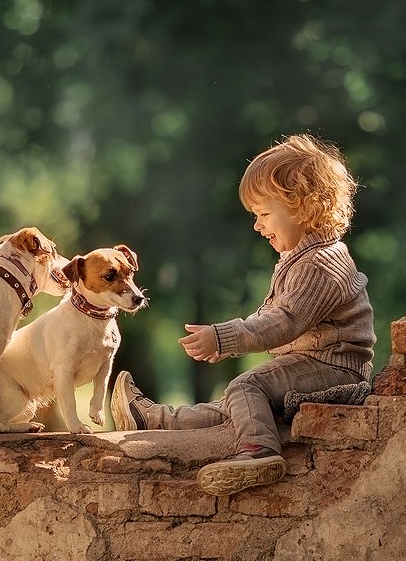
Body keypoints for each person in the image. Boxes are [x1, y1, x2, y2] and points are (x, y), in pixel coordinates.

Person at [111, 134, 376, 496]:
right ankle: (153, 419)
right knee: (235, 406)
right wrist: (227, 343)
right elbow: (272, 313)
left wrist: (224, 337)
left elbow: (283, 322)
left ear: (302, 206)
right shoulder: (301, 258)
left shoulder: (321, 264)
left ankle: (258, 452)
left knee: (245, 386)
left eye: (264, 214)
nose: (257, 226)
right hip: (314, 361)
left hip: (333, 366)